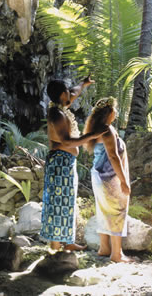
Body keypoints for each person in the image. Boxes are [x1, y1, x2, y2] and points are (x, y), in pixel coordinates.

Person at [40, 76, 106, 251]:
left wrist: (84, 83)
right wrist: (92, 135)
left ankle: (67, 242)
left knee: (67, 201)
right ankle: (55, 245)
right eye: (68, 92)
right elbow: (67, 141)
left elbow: (74, 93)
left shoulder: (60, 107)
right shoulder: (58, 114)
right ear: (63, 94)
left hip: (66, 161)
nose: (72, 94)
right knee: (57, 201)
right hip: (60, 162)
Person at [84, 96, 132, 262]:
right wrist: (124, 181)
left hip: (98, 176)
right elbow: (113, 156)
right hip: (109, 178)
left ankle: (104, 248)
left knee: (104, 211)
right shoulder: (107, 130)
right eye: (115, 109)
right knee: (117, 211)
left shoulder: (98, 129)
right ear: (109, 112)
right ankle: (117, 254)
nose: (117, 112)